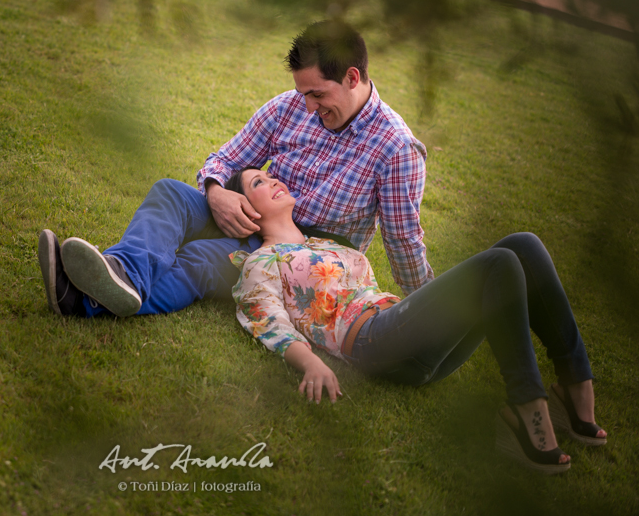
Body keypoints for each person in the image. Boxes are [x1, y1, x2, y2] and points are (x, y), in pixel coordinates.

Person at [38, 20, 432, 318]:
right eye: (303, 94)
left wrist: (428, 309)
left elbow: (403, 242)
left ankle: (79, 299)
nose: (309, 108)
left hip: (300, 257)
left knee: (203, 259)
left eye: (317, 94)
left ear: (352, 77)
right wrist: (216, 192)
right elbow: (224, 160)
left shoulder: (396, 147)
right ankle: (122, 271)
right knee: (170, 193)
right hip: (251, 214)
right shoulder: (289, 107)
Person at [227, 167, 606, 474]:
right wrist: (310, 362)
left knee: (523, 245)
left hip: (404, 334)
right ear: (246, 210)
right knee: (500, 263)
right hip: (372, 342)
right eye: (258, 182)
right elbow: (266, 320)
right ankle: (526, 407)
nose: (274, 179)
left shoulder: (322, 244)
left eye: (270, 174)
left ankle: (574, 386)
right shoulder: (262, 262)